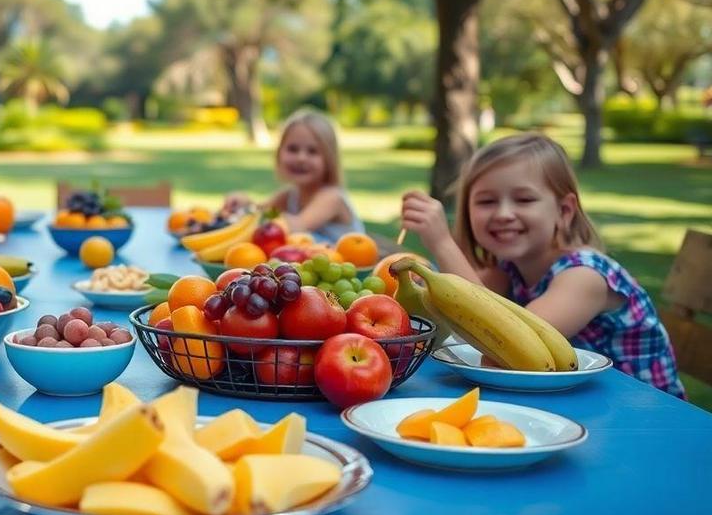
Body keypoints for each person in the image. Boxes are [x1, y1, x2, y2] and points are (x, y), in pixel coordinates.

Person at [400, 133, 684, 398]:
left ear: (564, 211)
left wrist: (442, 243)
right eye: (486, 201)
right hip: (572, 403)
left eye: (524, 199)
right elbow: (466, 306)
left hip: (643, 415)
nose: (504, 214)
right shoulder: (510, 268)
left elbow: (506, 333)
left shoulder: (585, 277)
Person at [224, 109, 365, 242]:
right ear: (279, 153)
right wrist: (245, 204)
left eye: (313, 151)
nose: (301, 158)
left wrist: (257, 215)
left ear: (329, 159)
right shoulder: (289, 196)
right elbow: (260, 212)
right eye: (293, 149)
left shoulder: (331, 198)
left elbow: (296, 226)